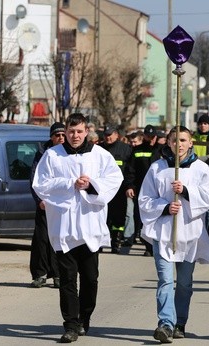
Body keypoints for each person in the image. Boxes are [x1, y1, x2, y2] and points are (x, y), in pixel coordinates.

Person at [32, 113, 123, 343]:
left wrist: (91, 185)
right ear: (66, 132)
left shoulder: (99, 155)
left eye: (79, 131)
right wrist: (68, 183)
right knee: (68, 279)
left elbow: (115, 179)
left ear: (86, 132)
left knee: (90, 278)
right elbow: (40, 184)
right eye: (71, 132)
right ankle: (71, 325)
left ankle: (85, 317)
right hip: (63, 228)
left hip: (90, 228)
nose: (74, 136)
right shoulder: (53, 155)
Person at [139, 126, 209, 343]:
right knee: (164, 280)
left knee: (183, 283)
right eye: (174, 140)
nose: (179, 144)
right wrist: (164, 207)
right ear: (168, 143)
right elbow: (144, 200)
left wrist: (187, 191)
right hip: (163, 233)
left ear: (191, 143)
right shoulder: (157, 168)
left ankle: (180, 321)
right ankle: (165, 323)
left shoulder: (201, 169)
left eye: (183, 140)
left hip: (190, 234)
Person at [29, 122, 65, 288]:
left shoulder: (68, 153)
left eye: (63, 135)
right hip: (44, 203)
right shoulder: (42, 153)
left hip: (62, 204)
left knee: (59, 240)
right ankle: (40, 274)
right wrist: (39, 200)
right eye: (57, 135)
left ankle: (59, 275)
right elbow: (34, 179)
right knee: (41, 240)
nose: (61, 138)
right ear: (51, 137)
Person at [124, 124, 163, 256]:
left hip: (160, 191)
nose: (151, 139)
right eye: (148, 136)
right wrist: (129, 186)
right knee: (141, 218)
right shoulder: (137, 150)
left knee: (157, 217)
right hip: (141, 190)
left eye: (153, 137)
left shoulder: (163, 151)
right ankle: (147, 245)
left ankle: (156, 244)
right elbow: (130, 170)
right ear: (144, 136)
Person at [101, 125, 132, 254]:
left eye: (110, 135)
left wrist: (129, 186)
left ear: (116, 135)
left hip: (119, 190)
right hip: (102, 190)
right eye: (106, 135)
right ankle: (101, 242)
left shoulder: (125, 149)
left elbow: (130, 170)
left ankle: (116, 242)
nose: (108, 137)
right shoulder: (99, 149)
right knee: (103, 218)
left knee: (118, 219)